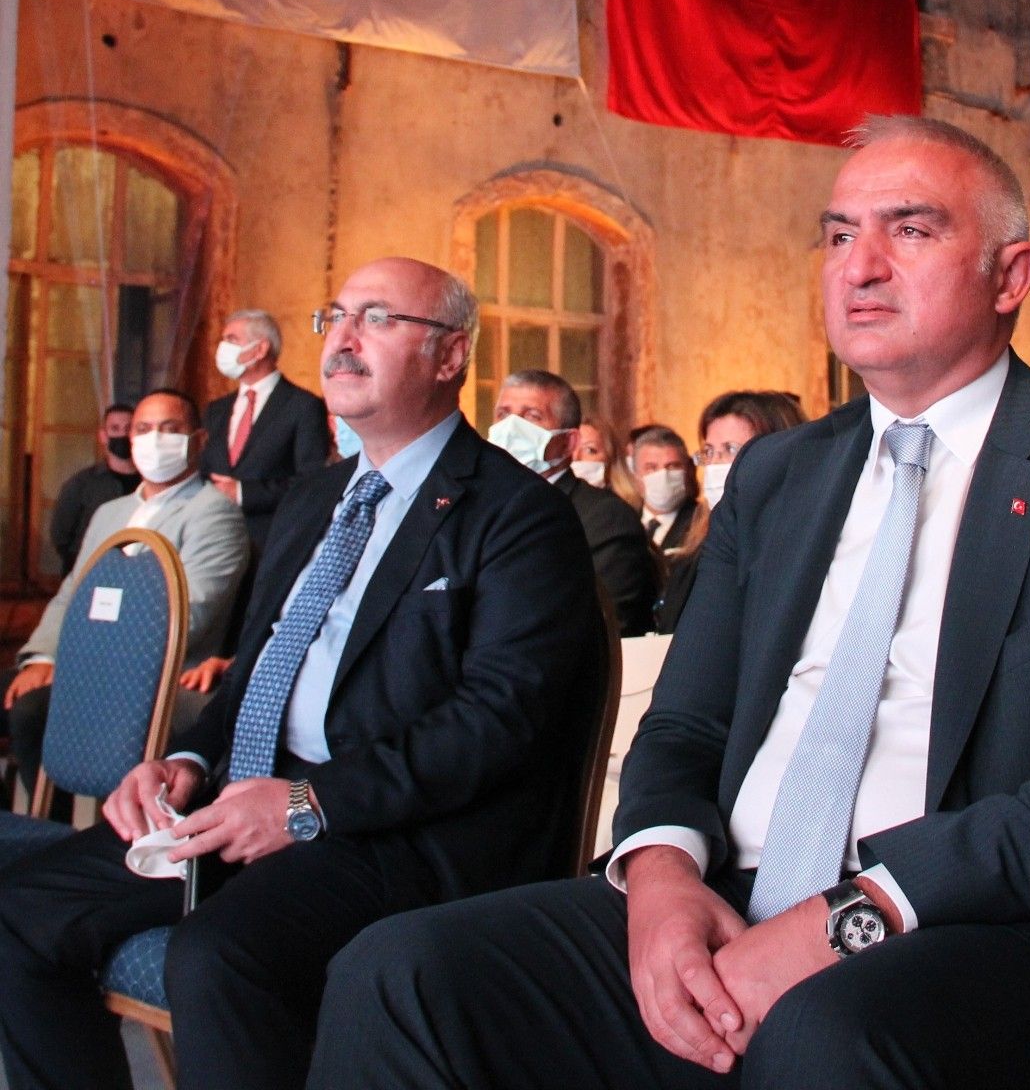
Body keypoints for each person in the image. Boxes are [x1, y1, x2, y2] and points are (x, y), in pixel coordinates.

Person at [308, 116, 1030, 1090]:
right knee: (400, 974)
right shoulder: (779, 475)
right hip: (727, 892)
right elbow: (685, 725)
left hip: (973, 920)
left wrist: (845, 919)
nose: (859, 266)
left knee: (821, 1036)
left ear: (1010, 276)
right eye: (838, 234)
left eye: (910, 230)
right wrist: (659, 875)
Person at [0, 258, 596, 1090]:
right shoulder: (315, 500)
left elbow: (498, 720)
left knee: (217, 956)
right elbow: (257, 669)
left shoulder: (519, 516)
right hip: (243, 798)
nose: (343, 340)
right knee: (19, 911)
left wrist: (308, 803)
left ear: (451, 355)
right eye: (335, 316)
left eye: (378, 318)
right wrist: (188, 760)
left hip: (393, 830)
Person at [2, 388, 251, 797]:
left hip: (160, 676)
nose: (155, 440)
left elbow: (186, 615)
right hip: (81, 660)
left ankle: (58, 826)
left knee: (33, 711)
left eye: (169, 429)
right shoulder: (110, 513)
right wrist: (45, 657)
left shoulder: (213, 514)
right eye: (144, 429)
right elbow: (71, 594)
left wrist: (75, 663)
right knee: (17, 694)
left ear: (199, 440)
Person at [491, 369, 656, 635]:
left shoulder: (605, 517)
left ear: (569, 442)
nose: (511, 428)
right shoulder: (480, 507)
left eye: (532, 416)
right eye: (503, 414)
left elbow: (605, 620)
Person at [657, 391, 805, 636]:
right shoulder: (697, 543)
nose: (715, 464)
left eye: (731, 449)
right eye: (709, 451)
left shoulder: (792, 547)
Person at [200, 308, 331, 556]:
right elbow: (204, 470)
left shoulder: (303, 406)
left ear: (260, 349)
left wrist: (242, 492)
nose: (222, 348)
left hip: (269, 542)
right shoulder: (216, 410)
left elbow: (311, 481)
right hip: (213, 539)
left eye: (231, 340)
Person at [47, 403, 141, 577]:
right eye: (115, 428)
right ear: (103, 436)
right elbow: (60, 536)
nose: (122, 435)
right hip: (88, 573)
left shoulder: (151, 484)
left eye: (128, 428)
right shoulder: (81, 484)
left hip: (138, 572)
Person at [632, 425, 700, 558]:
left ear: (689, 471)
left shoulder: (702, 525)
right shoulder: (624, 521)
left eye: (673, 466)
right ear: (636, 476)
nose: (663, 475)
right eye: (651, 468)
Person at [573, 414, 643, 509]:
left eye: (590, 450)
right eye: (571, 448)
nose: (575, 457)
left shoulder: (620, 509)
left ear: (610, 458)